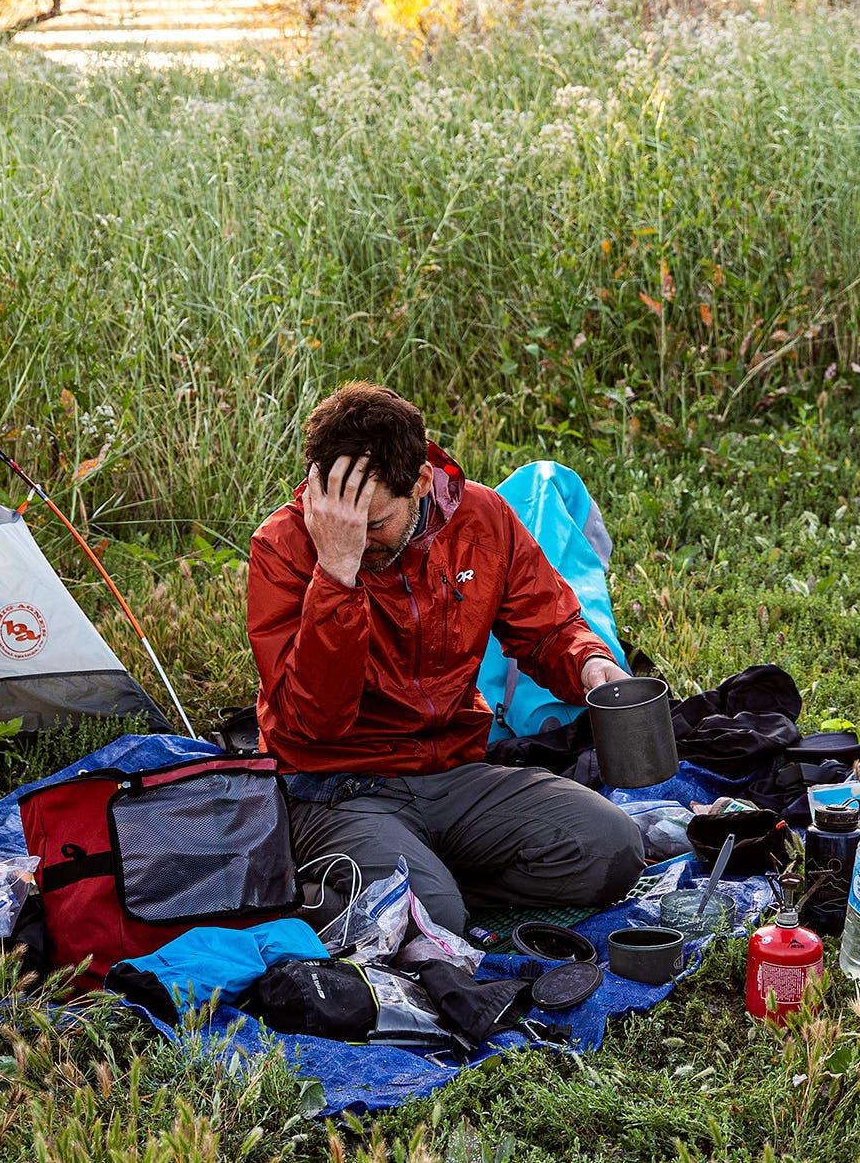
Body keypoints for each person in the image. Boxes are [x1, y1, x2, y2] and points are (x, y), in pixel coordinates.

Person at [247, 382, 645, 935]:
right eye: (344, 519)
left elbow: (550, 626)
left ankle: (414, 883)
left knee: (615, 848)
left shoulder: (481, 518)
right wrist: (335, 572)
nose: (359, 539)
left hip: (455, 771)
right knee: (433, 922)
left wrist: (590, 665)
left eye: (375, 523)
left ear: (421, 481)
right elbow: (315, 721)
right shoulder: (284, 547)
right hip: (335, 786)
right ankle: (368, 889)